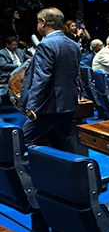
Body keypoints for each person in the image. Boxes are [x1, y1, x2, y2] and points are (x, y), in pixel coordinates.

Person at [18, 8, 80, 152]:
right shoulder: (74, 45)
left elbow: (41, 78)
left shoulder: (46, 45)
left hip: (49, 105)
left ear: (43, 22)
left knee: (21, 141)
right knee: (61, 142)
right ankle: (72, 173)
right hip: (68, 102)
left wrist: (32, 105)